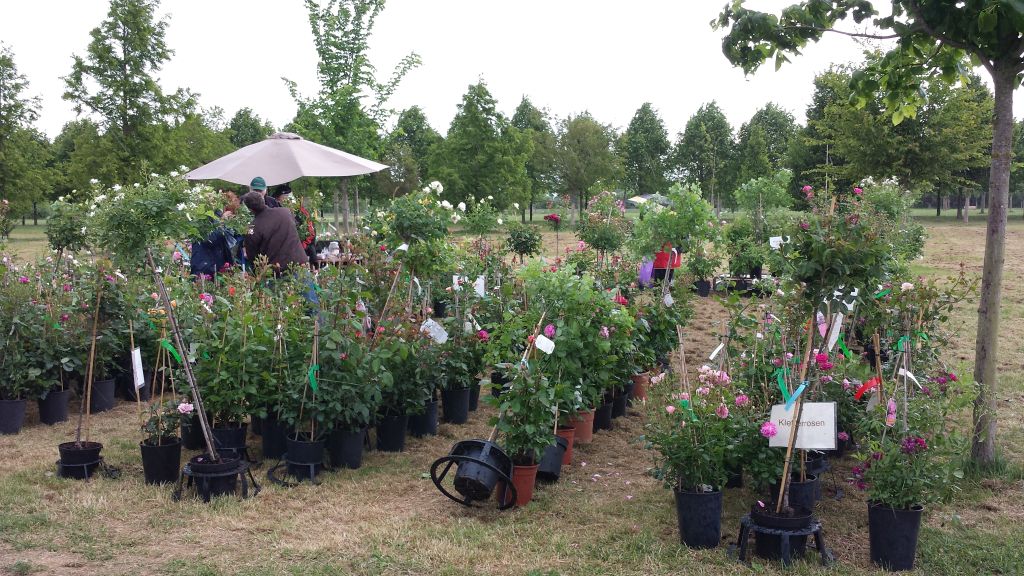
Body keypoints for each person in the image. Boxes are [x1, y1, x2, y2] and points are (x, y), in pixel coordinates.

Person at [241, 191, 309, 275]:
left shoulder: (252, 228)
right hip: (301, 264)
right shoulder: (285, 212)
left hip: (278, 273)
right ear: (263, 200)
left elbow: (252, 257)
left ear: (249, 209)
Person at [190, 192, 244, 277]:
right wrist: (222, 222)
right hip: (204, 268)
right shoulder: (205, 219)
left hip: (216, 267)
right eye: (231, 214)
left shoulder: (221, 223)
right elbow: (210, 239)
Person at [271, 183, 318, 265]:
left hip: (301, 253)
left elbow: (311, 233)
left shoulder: (301, 213)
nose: (277, 201)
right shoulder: (276, 212)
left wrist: (301, 247)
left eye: (279, 198)